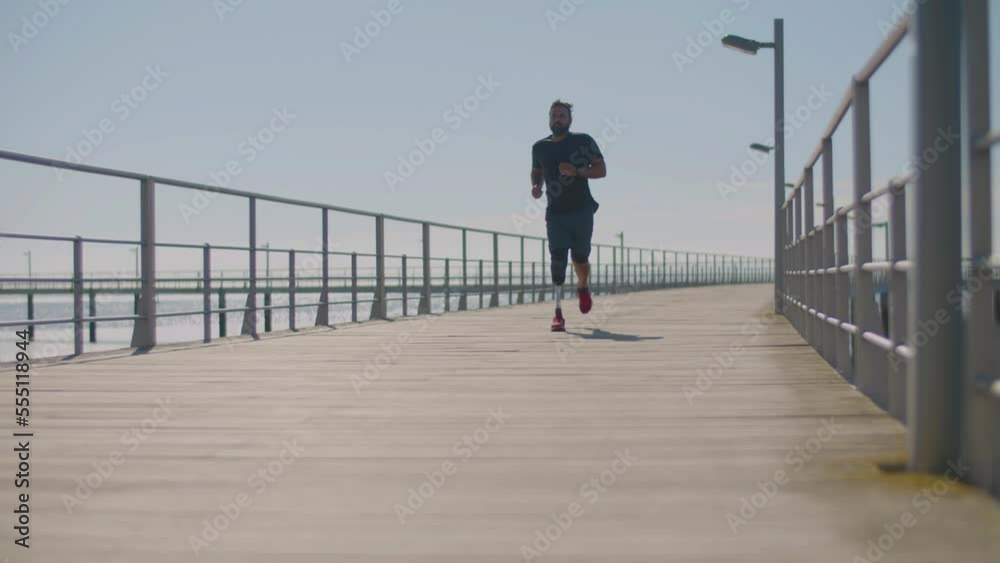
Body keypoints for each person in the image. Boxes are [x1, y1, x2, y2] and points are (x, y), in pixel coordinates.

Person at [530, 99, 607, 331]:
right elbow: (536, 170)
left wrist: (577, 171)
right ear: (549, 119)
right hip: (556, 213)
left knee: (580, 258)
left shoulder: (583, 141)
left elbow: (601, 170)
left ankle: (582, 286)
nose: (558, 119)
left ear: (570, 120)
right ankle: (558, 314)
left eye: (562, 116)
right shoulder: (540, 147)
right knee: (557, 259)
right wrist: (536, 186)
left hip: (582, 210)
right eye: (554, 116)